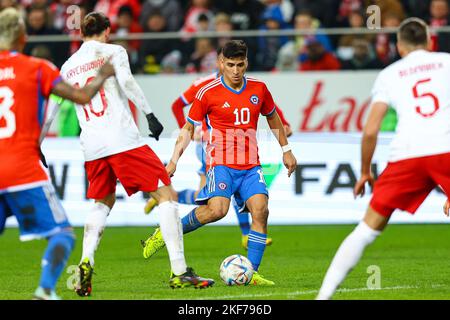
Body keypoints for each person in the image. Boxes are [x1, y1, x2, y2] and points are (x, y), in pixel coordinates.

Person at [60, 12, 214, 297]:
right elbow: (128, 82)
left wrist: (38, 143)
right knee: (166, 195)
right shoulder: (114, 50)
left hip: (91, 145)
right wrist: (150, 115)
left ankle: (85, 261)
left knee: (101, 201)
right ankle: (179, 271)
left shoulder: (67, 66)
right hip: (122, 139)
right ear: (107, 30)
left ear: (81, 32)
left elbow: (57, 105)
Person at [142, 40, 297, 285]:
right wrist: (173, 162)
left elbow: (272, 117)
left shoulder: (259, 89)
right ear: (221, 63)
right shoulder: (207, 92)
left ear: (246, 63)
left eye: (240, 64)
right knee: (217, 211)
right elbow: (187, 128)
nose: (236, 71)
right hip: (221, 163)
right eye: (230, 65)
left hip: (250, 166)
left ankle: (251, 272)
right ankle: (166, 233)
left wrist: (286, 150)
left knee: (261, 210)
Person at [316, 18, 450, 300]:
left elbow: (370, 130)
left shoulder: (390, 74)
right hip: (445, 150)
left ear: (399, 47)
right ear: (429, 41)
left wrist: (365, 171)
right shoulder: (446, 62)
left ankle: (323, 297)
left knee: (366, 230)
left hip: (407, 155)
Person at [0, 8, 115, 300]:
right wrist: (102, 73)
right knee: (62, 233)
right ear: (23, 38)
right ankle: (46, 289)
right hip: (23, 170)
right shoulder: (39, 67)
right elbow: (81, 96)